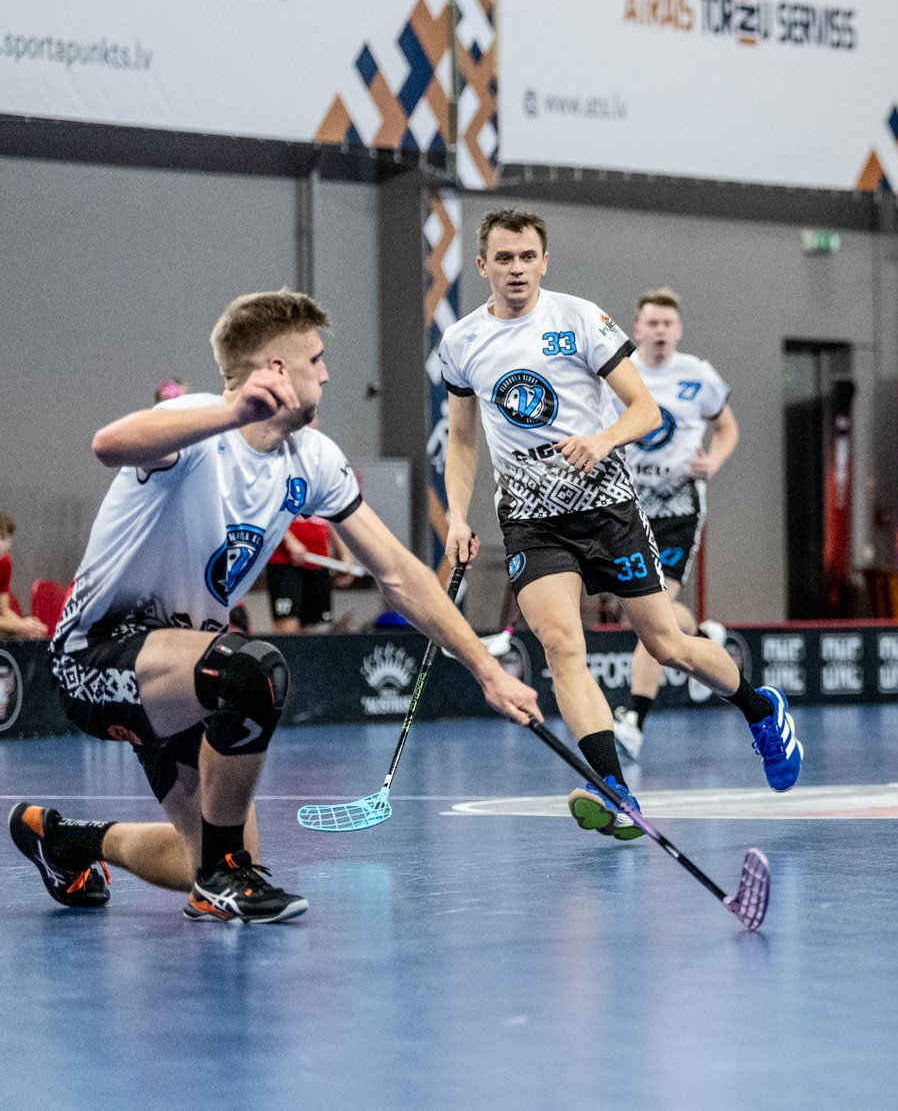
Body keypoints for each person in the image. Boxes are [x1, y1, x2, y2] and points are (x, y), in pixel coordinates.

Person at [9, 290, 543, 923]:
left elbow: (399, 573)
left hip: (186, 668)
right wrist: (230, 412)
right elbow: (109, 444)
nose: (327, 374)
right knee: (252, 672)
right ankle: (223, 880)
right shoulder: (198, 425)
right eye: (315, 360)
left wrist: (484, 668)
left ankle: (67, 841)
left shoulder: (310, 459)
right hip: (95, 657)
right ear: (277, 369)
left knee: (206, 851)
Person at [441, 210, 799, 840]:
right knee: (562, 646)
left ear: (544, 261)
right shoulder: (463, 341)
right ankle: (613, 787)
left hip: (607, 509)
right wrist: (455, 516)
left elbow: (645, 410)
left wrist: (602, 440)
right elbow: (463, 442)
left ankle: (760, 708)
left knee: (666, 644)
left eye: (527, 257)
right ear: (483, 265)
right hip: (531, 521)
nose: (516, 269)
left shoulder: (580, 319)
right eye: (503, 258)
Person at [607, 287, 738, 762]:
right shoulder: (621, 372)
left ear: (678, 330)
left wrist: (713, 462)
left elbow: (727, 427)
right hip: (629, 508)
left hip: (679, 509)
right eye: (652, 323)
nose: (660, 331)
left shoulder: (697, 374)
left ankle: (634, 720)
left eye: (667, 324)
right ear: (637, 329)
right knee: (639, 610)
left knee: (653, 611)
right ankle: (701, 637)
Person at [264, 515, 348, 633]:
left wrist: (344, 556)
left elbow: (336, 516)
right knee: (287, 625)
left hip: (319, 562)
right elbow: (273, 513)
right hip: (286, 561)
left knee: (315, 627)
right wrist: (289, 540)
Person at [0, 512, 50, 641]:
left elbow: (4, 610)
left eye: (8, 538)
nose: (7, 544)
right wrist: (21, 626)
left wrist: (30, 627)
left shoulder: (4, 563)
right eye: (2, 538)